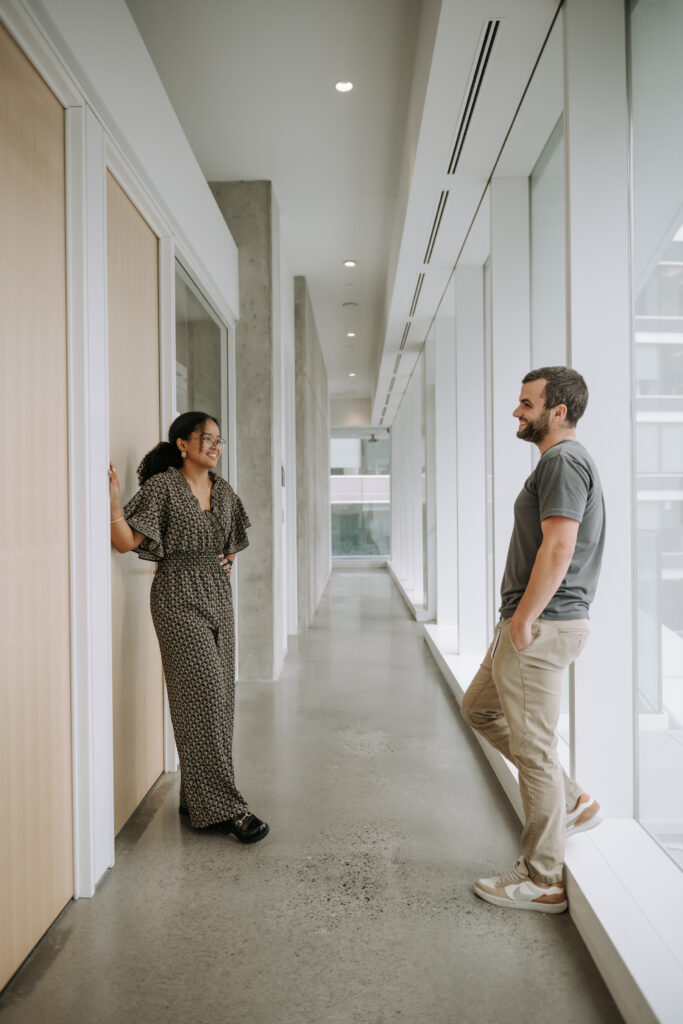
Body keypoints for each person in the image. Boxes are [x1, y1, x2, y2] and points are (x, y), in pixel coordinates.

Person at [461, 367, 604, 913]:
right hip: (536, 623)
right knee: (479, 708)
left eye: (527, 403)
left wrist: (523, 621)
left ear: (557, 411)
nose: (517, 413)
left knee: (536, 753)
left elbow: (559, 547)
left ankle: (543, 879)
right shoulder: (558, 462)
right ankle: (573, 802)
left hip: (541, 625)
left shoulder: (563, 460)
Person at [108, 411, 269, 844]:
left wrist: (228, 559)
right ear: (182, 443)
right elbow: (126, 543)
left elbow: (232, 542)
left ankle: (198, 798)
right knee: (203, 698)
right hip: (177, 598)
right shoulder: (162, 487)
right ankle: (230, 809)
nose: (216, 446)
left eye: (219, 439)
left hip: (219, 598)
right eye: (207, 438)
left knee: (221, 701)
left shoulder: (225, 490)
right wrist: (114, 501)